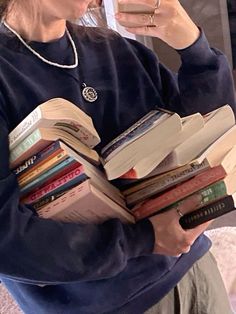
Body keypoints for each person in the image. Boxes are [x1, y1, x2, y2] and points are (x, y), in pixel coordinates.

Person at [0, 0, 235, 313]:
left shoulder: (119, 51)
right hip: (105, 305)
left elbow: (210, 136)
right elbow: (7, 238)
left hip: (193, 272)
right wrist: (142, 239)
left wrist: (193, 47)